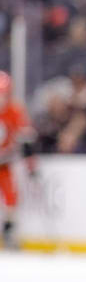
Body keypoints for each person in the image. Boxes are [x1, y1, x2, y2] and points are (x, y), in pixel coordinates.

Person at [0, 71, 36, 250]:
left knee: (11, 198)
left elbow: (26, 139)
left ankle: (8, 232)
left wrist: (31, 163)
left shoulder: (15, 111)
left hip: (5, 164)